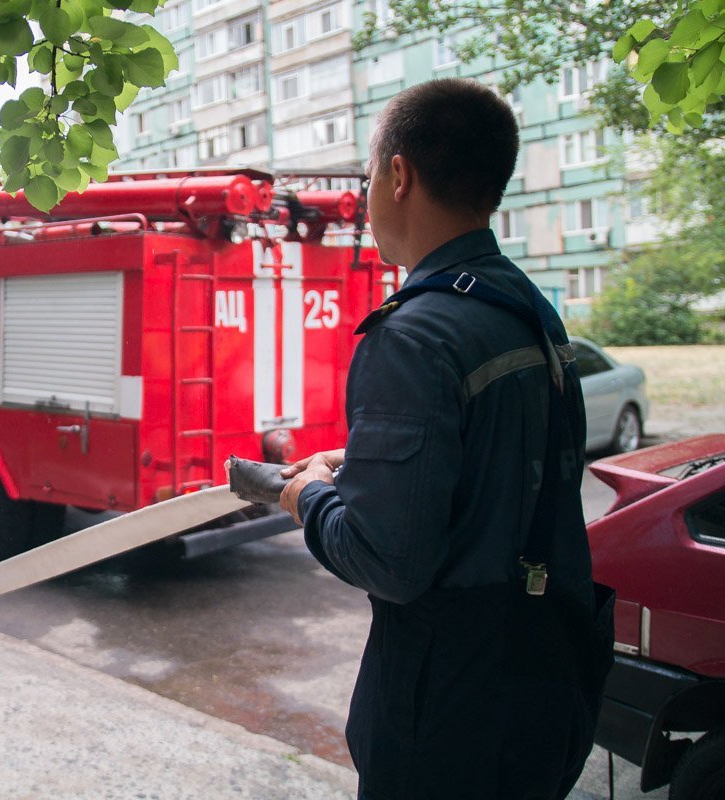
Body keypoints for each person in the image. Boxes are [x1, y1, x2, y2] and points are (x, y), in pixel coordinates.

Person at [279, 78, 601, 798]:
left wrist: (310, 497)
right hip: (543, 690)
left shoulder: (414, 335)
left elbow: (388, 561)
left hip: (446, 721)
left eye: (368, 175)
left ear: (399, 175)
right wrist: (361, 463)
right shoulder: (530, 311)